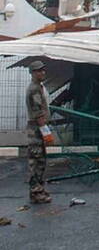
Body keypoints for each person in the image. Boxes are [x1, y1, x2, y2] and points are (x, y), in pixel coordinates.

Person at [25, 59, 52, 204]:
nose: (43, 72)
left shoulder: (38, 87)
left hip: (37, 127)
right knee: (36, 160)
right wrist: (45, 132)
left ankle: (39, 189)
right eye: (39, 71)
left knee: (41, 160)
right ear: (33, 73)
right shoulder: (34, 88)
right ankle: (36, 192)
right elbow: (38, 113)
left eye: (43, 70)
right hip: (36, 128)